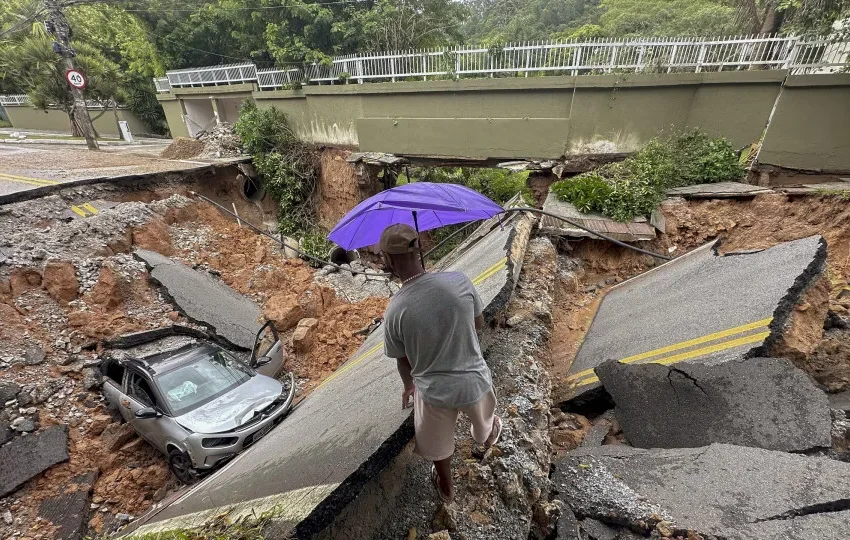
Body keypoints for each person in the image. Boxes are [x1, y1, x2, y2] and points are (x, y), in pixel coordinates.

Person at [379, 223, 501, 502]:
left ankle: (446, 486)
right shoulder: (459, 281)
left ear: (388, 260)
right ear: (419, 248)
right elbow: (478, 323)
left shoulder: (395, 311)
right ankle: (487, 436)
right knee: (483, 421)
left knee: (437, 445)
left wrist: (409, 386)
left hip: (433, 392)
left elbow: (403, 361)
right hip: (473, 380)